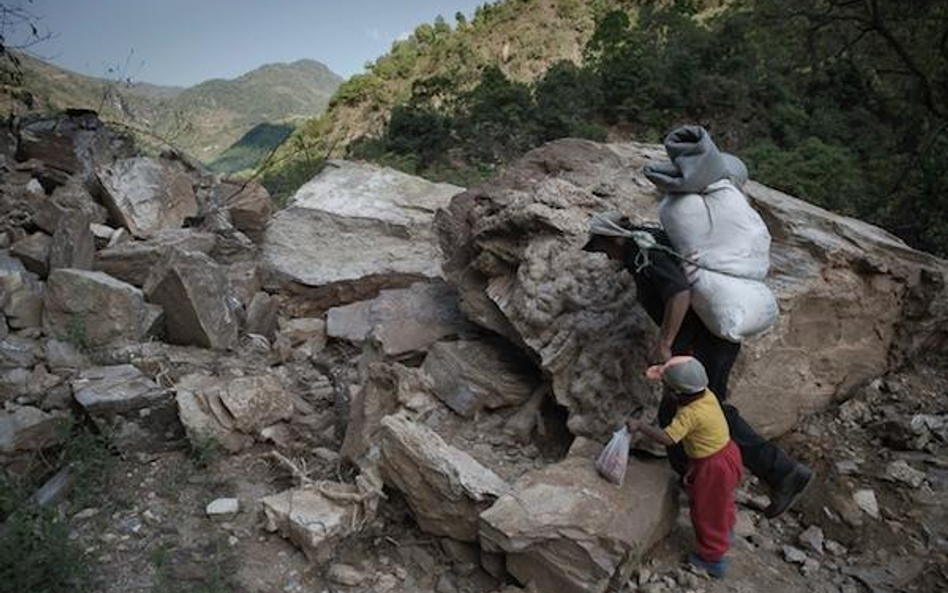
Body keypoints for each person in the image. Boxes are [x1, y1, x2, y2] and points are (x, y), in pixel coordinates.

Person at [582, 210, 812, 518]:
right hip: (705, 340)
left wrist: (665, 342)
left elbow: (678, 292)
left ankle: (782, 472)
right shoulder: (646, 246)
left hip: (704, 343)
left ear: (613, 239)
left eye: (603, 249)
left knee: (702, 408)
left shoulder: (644, 251)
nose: (606, 257)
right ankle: (696, 478)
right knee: (681, 410)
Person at [628, 356, 742, 578]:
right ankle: (725, 530)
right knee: (721, 500)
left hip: (712, 466)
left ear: (676, 393)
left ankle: (713, 558)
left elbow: (668, 439)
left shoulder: (690, 414)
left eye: (666, 388)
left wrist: (639, 426)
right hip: (728, 453)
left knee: (705, 510)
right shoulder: (707, 396)